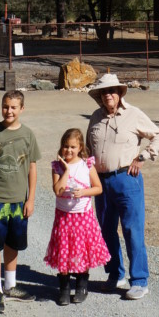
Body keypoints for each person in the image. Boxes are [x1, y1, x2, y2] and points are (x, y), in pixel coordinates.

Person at [86, 72, 159, 300]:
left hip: (127, 180)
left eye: (112, 90)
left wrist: (142, 158)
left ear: (120, 93)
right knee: (106, 230)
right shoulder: (95, 118)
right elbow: (88, 150)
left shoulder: (134, 115)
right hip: (101, 183)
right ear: (99, 96)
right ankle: (115, 275)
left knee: (132, 230)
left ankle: (139, 281)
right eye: (103, 92)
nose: (108, 95)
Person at [0, 90, 41, 314]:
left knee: (13, 244)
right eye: (5, 106)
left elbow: (32, 168)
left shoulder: (28, 135)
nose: (9, 111)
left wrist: (30, 198)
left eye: (13, 107)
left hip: (18, 202)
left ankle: (10, 285)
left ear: (22, 109)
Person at [44, 127, 111, 306]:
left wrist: (83, 192)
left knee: (82, 249)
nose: (69, 150)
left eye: (73, 147)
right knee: (64, 250)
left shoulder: (86, 164)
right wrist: (65, 171)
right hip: (64, 216)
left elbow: (98, 188)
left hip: (83, 215)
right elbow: (58, 191)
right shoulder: (57, 166)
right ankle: (64, 288)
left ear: (80, 147)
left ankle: (82, 285)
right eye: (65, 146)